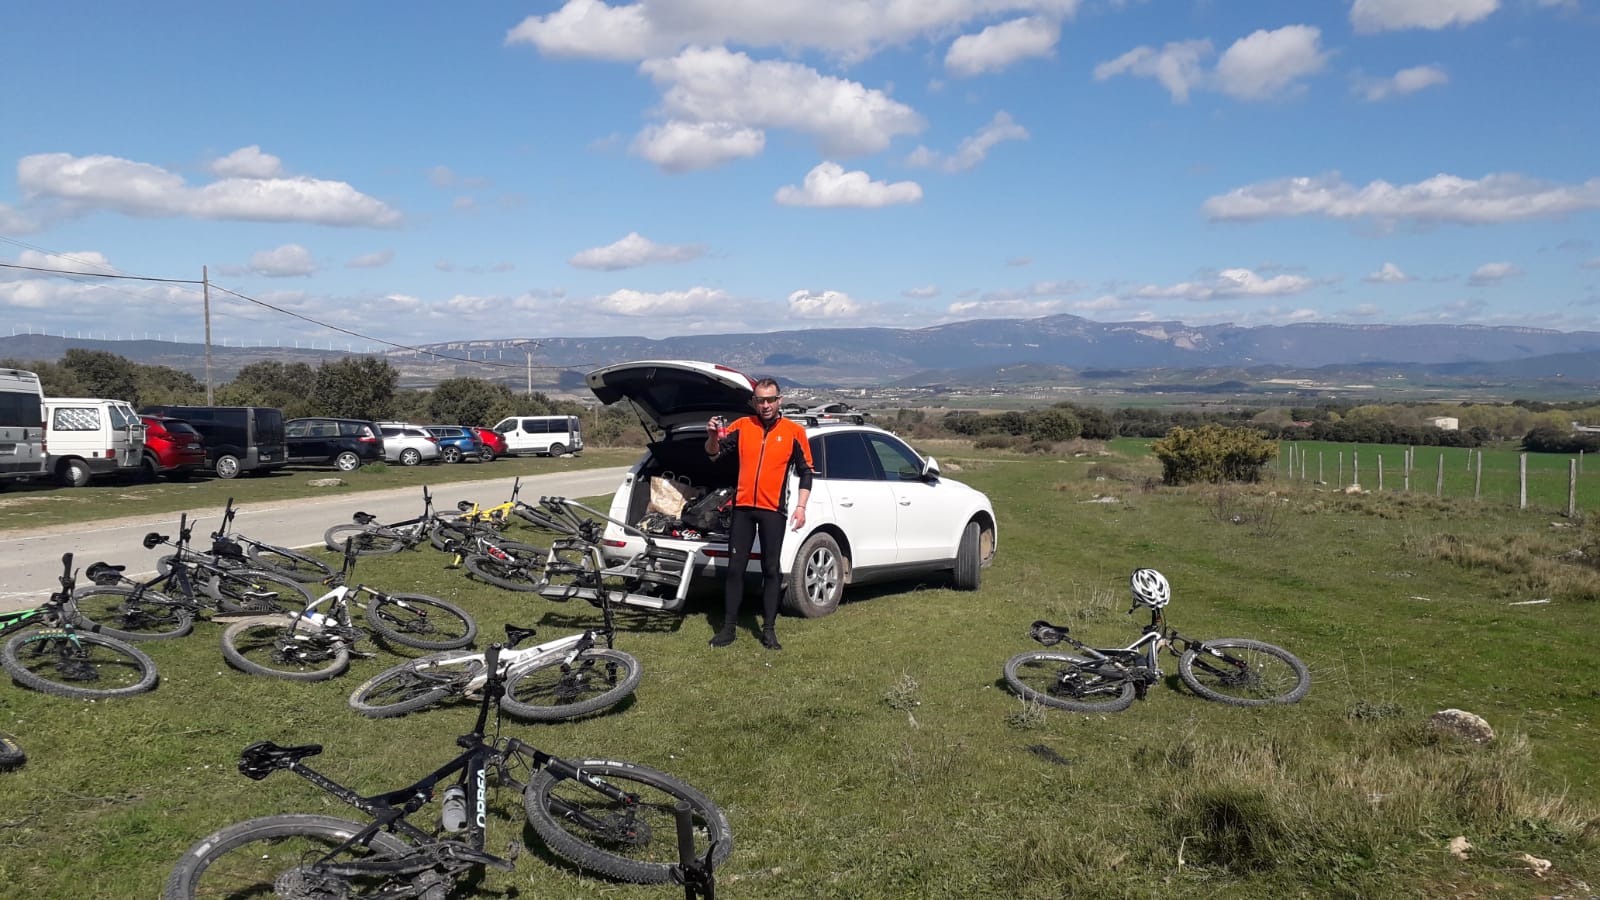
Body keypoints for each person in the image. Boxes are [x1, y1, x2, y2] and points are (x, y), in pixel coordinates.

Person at [704, 377, 814, 650]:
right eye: (760, 400)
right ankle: (728, 629)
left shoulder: (794, 432)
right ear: (754, 401)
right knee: (735, 569)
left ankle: (769, 631)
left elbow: (806, 472)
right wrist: (712, 436)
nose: (765, 405)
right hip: (742, 508)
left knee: (771, 570)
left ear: (779, 400)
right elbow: (713, 455)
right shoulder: (742, 426)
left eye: (770, 400)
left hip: (773, 510)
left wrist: (801, 507)